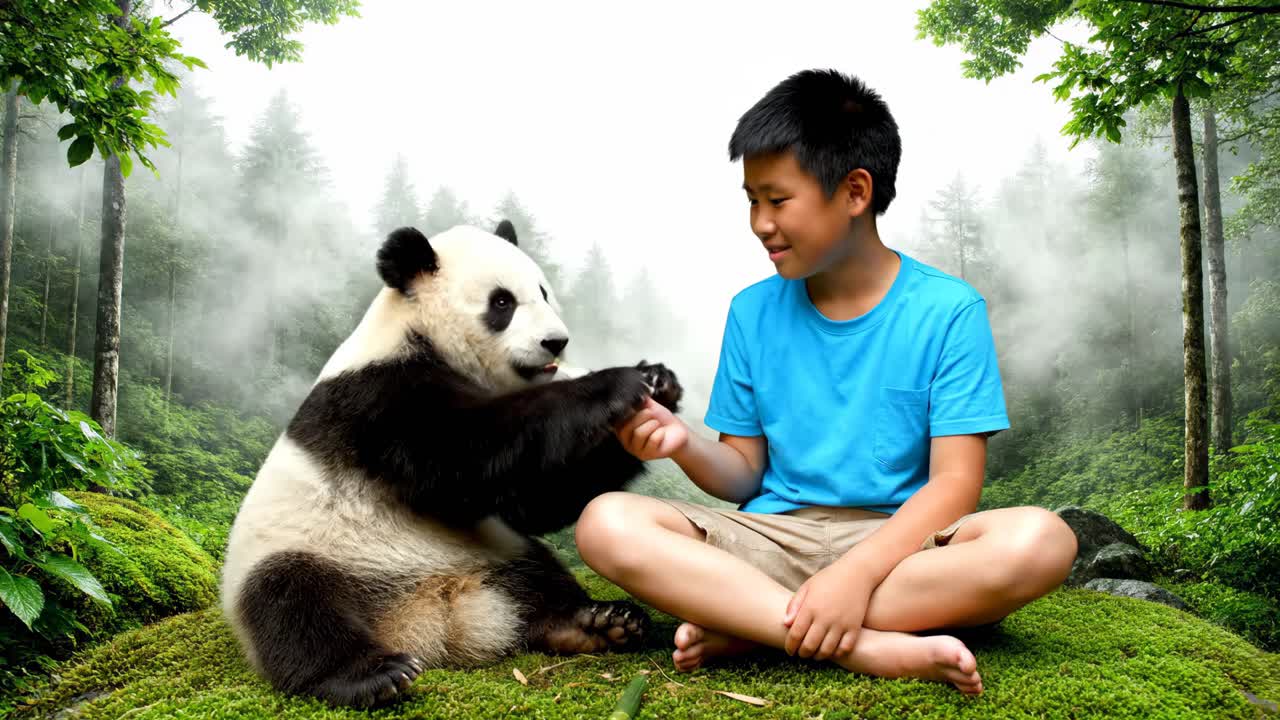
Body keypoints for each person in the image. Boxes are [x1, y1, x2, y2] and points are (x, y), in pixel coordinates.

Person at [574, 69, 1078, 695]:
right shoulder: (752, 311)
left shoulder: (948, 311)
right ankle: (858, 644)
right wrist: (681, 442)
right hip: (772, 540)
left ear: (855, 191)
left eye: (777, 199)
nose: (759, 222)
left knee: (1042, 541)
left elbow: (954, 485)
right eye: (750, 199)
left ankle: (753, 625)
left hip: (901, 550)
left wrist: (855, 575)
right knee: (604, 522)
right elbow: (744, 475)